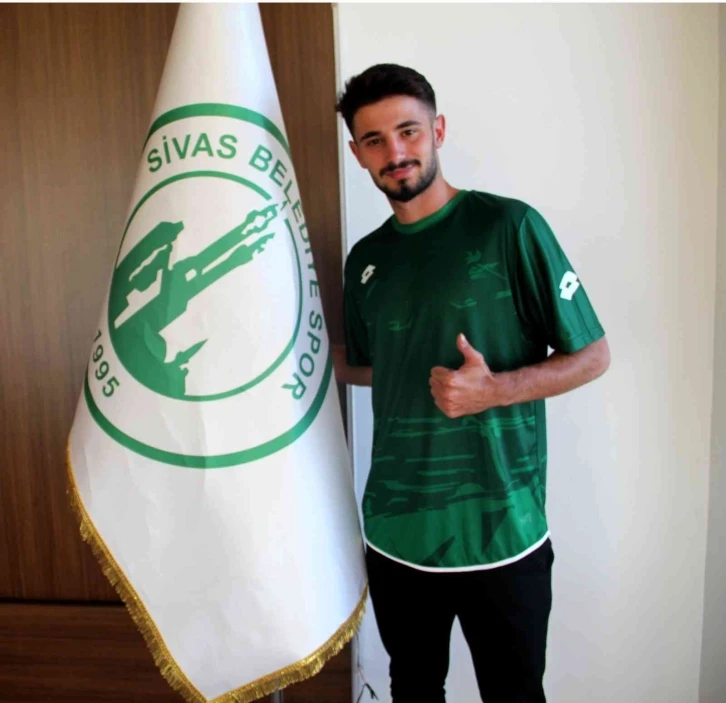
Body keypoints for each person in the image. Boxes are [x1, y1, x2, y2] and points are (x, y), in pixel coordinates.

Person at [333, 63, 610, 703]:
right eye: (374, 140)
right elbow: (370, 366)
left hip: (503, 531)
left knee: (514, 693)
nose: (395, 152)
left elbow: (593, 355)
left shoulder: (508, 227)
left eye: (408, 131)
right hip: (397, 533)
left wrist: (495, 391)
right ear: (357, 153)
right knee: (413, 689)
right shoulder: (366, 260)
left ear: (438, 130)